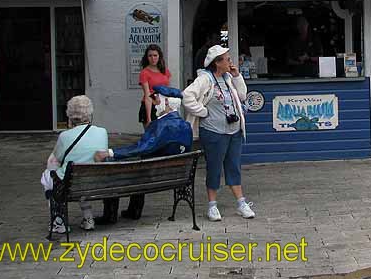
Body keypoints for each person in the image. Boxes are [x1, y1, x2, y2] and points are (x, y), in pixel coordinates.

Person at [94, 90, 193, 222]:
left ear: (167, 102)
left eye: (156, 99)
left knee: (116, 171)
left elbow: (142, 147)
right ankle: (134, 209)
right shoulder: (186, 126)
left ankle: (110, 215)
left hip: (152, 175)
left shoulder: (160, 125)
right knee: (139, 167)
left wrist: (111, 152)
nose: (154, 104)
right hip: (175, 175)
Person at [183, 45, 255, 221]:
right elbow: (187, 96)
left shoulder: (229, 78)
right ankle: (212, 206)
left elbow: (243, 96)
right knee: (214, 167)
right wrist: (203, 112)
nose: (231, 61)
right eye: (227, 59)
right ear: (217, 63)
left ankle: (241, 203)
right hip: (214, 132)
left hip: (234, 130)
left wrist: (237, 76)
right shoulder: (205, 79)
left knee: (234, 166)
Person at [47, 95, 108, 231]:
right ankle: (88, 218)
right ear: (90, 113)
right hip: (95, 182)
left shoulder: (65, 136)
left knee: (48, 175)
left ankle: (58, 222)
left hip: (71, 184)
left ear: (69, 115)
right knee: (79, 174)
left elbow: (56, 159)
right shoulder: (102, 132)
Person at [138, 44, 172, 128]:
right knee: (151, 136)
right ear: (147, 57)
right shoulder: (144, 73)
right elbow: (147, 95)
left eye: (155, 55)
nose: (153, 58)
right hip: (150, 106)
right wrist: (149, 118)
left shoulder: (165, 71)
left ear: (159, 56)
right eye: (150, 56)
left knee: (164, 136)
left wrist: (168, 107)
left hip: (164, 105)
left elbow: (167, 91)